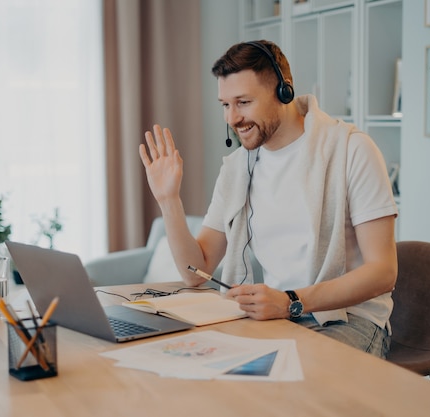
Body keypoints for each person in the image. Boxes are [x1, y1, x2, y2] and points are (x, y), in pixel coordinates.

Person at [138, 40, 398, 358]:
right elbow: (196, 271)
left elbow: (383, 271)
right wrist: (169, 200)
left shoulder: (351, 150)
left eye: (243, 102)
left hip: (348, 321)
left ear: (283, 92)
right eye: (225, 104)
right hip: (279, 319)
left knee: (282, 395)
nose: (232, 118)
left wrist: (291, 300)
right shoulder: (236, 170)